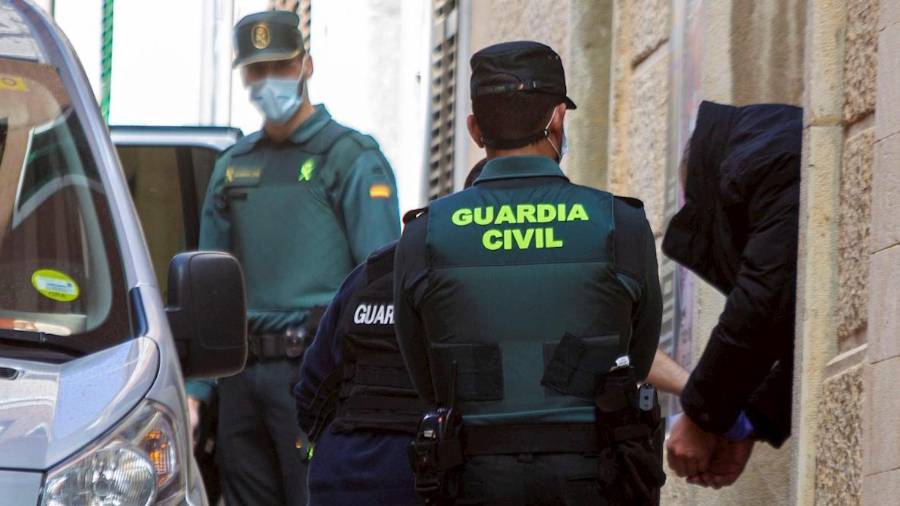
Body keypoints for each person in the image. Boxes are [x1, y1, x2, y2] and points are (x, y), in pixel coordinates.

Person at [393, 41, 665, 505]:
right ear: (558, 117)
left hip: (474, 479)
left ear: (475, 130)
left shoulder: (425, 235)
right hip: (592, 477)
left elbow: (425, 377)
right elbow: (637, 356)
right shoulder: (622, 224)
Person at [186, 10, 401, 505]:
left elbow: (381, 281)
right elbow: (207, 288)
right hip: (239, 375)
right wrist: (197, 392)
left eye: (279, 67)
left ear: (306, 65)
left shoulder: (348, 157)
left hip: (315, 370)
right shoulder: (233, 167)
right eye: (255, 71)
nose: (267, 81)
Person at [293, 160, 488, 506]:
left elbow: (312, 390)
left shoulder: (374, 271)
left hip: (342, 472)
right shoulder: (488, 282)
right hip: (425, 477)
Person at [663, 101, 801, 488]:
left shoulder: (767, 163)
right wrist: (749, 422)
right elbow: (787, 311)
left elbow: (762, 302)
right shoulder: (767, 151)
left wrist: (701, 417)